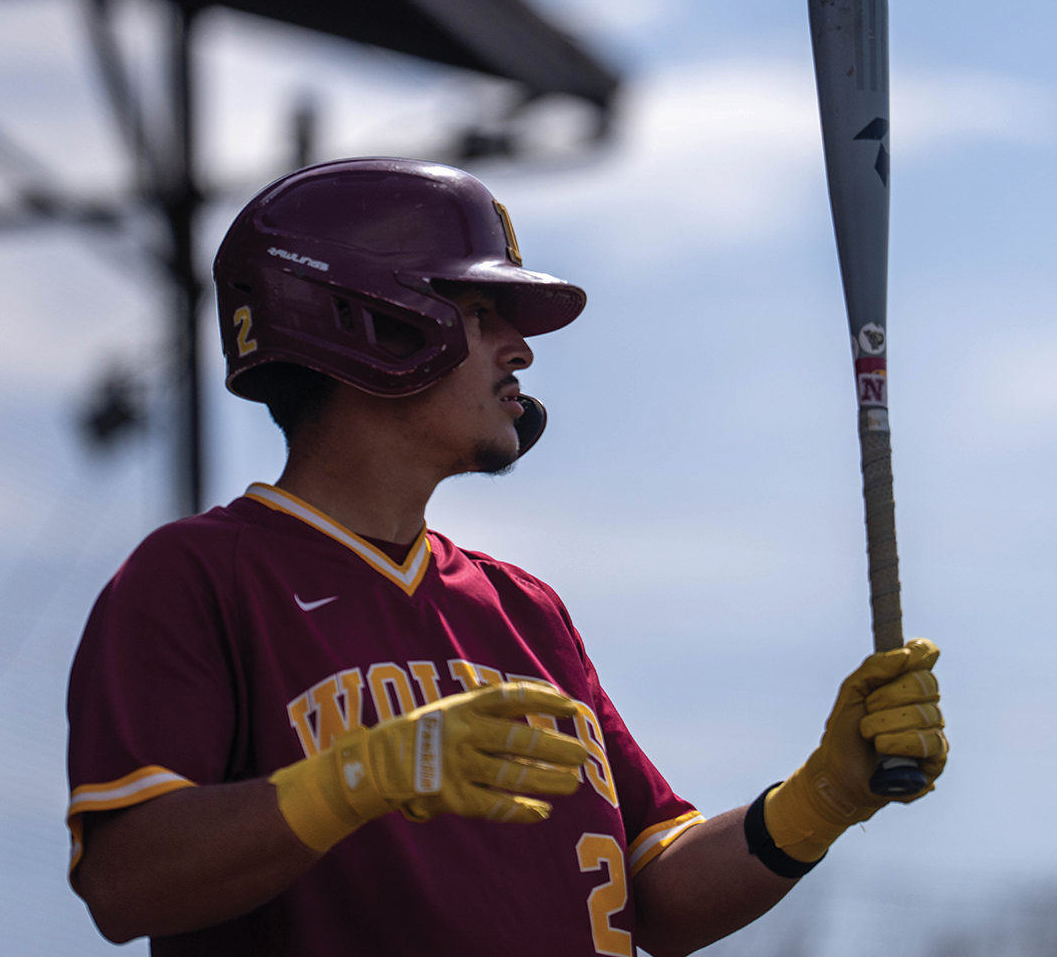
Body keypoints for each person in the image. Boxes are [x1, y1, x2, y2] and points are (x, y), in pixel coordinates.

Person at [64, 158, 949, 956]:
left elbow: (659, 892)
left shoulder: (521, 609)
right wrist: (361, 777)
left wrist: (824, 793)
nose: (520, 349)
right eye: (481, 313)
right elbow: (126, 879)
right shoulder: (200, 576)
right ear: (367, 321)